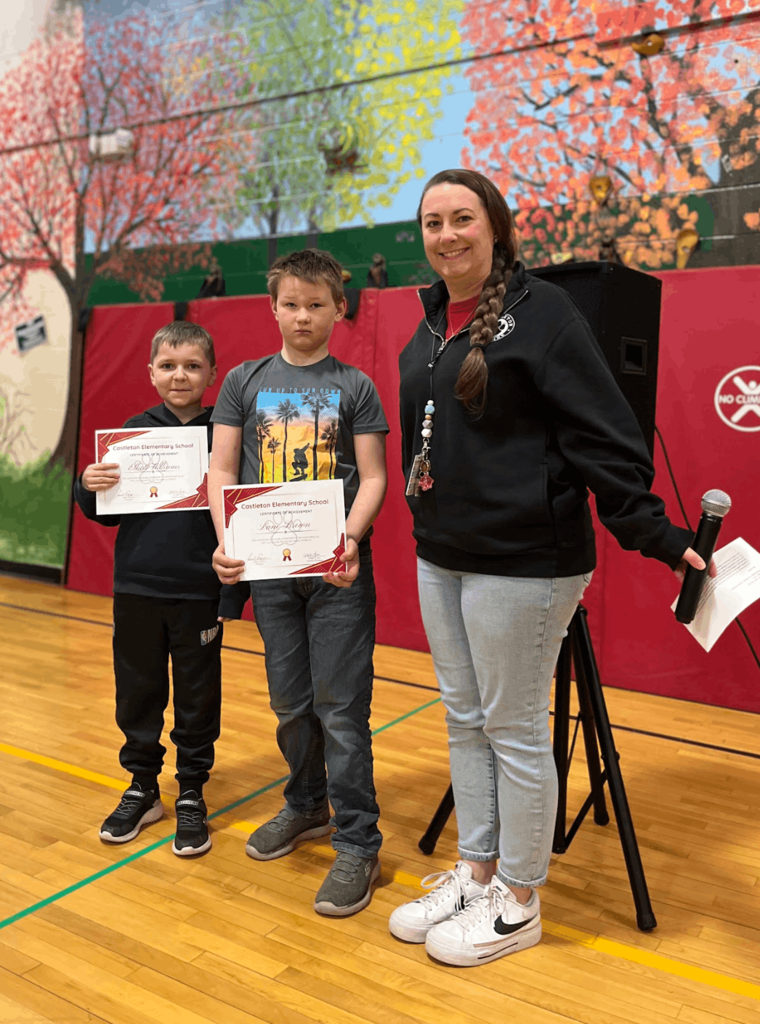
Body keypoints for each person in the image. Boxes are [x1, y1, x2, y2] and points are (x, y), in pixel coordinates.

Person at [390, 168, 708, 967]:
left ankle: (520, 901)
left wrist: (656, 535)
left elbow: (605, 436)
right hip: (445, 556)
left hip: (525, 564)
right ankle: (478, 868)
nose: (447, 235)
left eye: (462, 219)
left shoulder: (547, 315)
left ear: (495, 227)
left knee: (517, 730)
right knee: (466, 721)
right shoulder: (429, 323)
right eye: (432, 223)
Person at [208, 248, 389, 917]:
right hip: (270, 573)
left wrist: (351, 539)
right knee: (290, 704)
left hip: (336, 574)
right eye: (291, 303)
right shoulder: (243, 380)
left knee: (341, 709)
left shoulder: (356, 385)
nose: (303, 315)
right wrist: (227, 542)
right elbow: (222, 470)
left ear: (339, 308)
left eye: (317, 304)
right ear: (273, 307)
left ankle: (358, 840)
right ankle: (306, 803)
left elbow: (371, 477)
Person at [73, 320, 236, 856]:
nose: (180, 375)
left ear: (212, 372)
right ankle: (143, 786)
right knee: (138, 690)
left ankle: (191, 791)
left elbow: (241, 514)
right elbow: (104, 513)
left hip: (199, 593)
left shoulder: (227, 433)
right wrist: (89, 485)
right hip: (137, 589)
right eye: (168, 366)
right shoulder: (131, 434)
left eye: (192, 365)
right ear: (150, 373)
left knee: (197, 695)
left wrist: (233, 592)